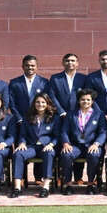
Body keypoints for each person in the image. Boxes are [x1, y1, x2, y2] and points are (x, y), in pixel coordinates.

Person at [45, 53, 88, 183]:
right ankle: (60, 176)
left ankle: (78, 177)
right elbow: (52, 96)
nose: (70, 63)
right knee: (61, 145)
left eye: (73, 61)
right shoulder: (55, 78)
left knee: (79, 142)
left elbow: (86, 96)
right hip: (60, 116)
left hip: (78, 116)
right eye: (67, 61)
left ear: (77, 63)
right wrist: (61, 111)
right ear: (63, 63)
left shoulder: (83, 78)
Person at [12, 94, 60, 198]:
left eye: (43, 102)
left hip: (46, 146)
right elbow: (22, 134)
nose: (40, 104)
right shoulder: (28, 117)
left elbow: (57, 136)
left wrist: (51, 145)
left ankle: (45, 187)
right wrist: (22, 143)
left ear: (47, 104)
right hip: (31, 146)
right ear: (34, 104)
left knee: (49, 154)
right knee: (18, 154)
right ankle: (17, 188)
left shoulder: (54, 118)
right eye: (37, 102)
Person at [59, 89, 106, 195]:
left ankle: (90, 184)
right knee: (66, 154)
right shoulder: (71, 114)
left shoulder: (99, 114)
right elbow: (64, 131)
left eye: (88, 100)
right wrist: (66, 143)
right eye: (83, 99)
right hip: (75, 146)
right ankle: (68, 184)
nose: (85, 102)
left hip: (92, 145)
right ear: (78, 101)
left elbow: (103, 132)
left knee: (94, 155)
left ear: (92, 101)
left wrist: (96, 144)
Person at [8, 55, 49, 122]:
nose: (30, 67)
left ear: (36, 67)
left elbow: (47, 101)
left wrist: (41, 117)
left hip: (39, 120)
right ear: (22, 67)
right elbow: (12, 102)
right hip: (20, 120)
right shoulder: (14, 83)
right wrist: (19, 118)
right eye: (27, 65)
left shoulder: (44, 82)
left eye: (32, 65)